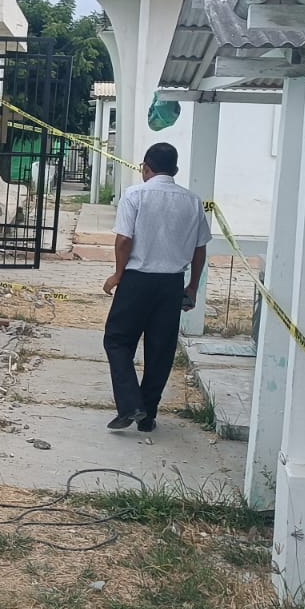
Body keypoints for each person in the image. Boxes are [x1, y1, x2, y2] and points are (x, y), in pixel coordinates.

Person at [101, 142, 210, 433]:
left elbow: (124, 240)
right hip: (171, 283)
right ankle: (147, 416)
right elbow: (200, 249)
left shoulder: (134, 195)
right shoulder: (193, 201)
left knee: (117, 341)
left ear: (145, 168)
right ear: (175, 169)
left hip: (136, 280)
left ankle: (130, 404)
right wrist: (192, 287)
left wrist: (117, 274)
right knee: (160, 351)